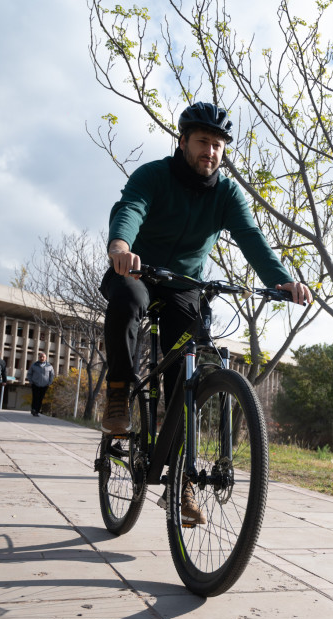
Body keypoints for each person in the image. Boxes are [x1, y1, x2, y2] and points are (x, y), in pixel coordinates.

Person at [101, 101, 311, 526]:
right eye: (202, 142)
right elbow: (131, 209)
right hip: (138, 271)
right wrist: (121, 248)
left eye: (217, 145)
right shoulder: (153, 176)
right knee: (129, 300)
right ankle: (120, 392)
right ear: (183, 143)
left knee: (190, 377)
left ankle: (183, 484)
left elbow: (251, 237)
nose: (210, 152)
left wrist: (282, 279)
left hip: (184, 286)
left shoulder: (226, 193)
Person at [26, 351, 55, 417]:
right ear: (39, 357)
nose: (42, 358)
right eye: (41, 357)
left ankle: (37, 411)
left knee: (40, 398)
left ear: (46, 358)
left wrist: (49, 382)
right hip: (35, 384)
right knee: (35, 397)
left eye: (43, 357)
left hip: (44, 385)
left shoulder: (49, 366)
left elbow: (52, 375)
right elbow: (29, 374)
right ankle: (33, 409)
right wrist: (31, 381)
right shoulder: (34, 365)